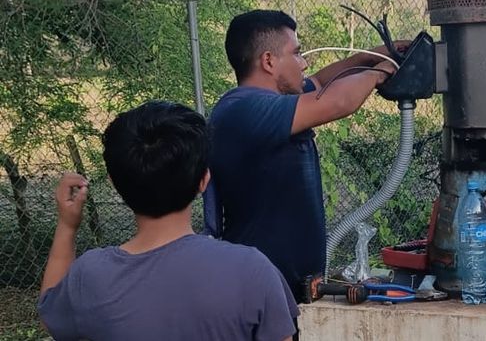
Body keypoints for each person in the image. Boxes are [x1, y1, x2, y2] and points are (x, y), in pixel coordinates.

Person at [38, 101, 298, 341]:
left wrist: (67, 226)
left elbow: (51, 314)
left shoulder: (89, 276)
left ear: (115, 183)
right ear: (203, 180)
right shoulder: (252, 270)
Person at [203, 9, 400, 305]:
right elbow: (338, 100)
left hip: (285, 288)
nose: (304, 62)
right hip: (258, 290)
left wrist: (369, 57)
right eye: (296, 54)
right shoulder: (243, 110)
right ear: (269, 61)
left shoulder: (273, 102)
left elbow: (320, 83)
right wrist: (382, 72)